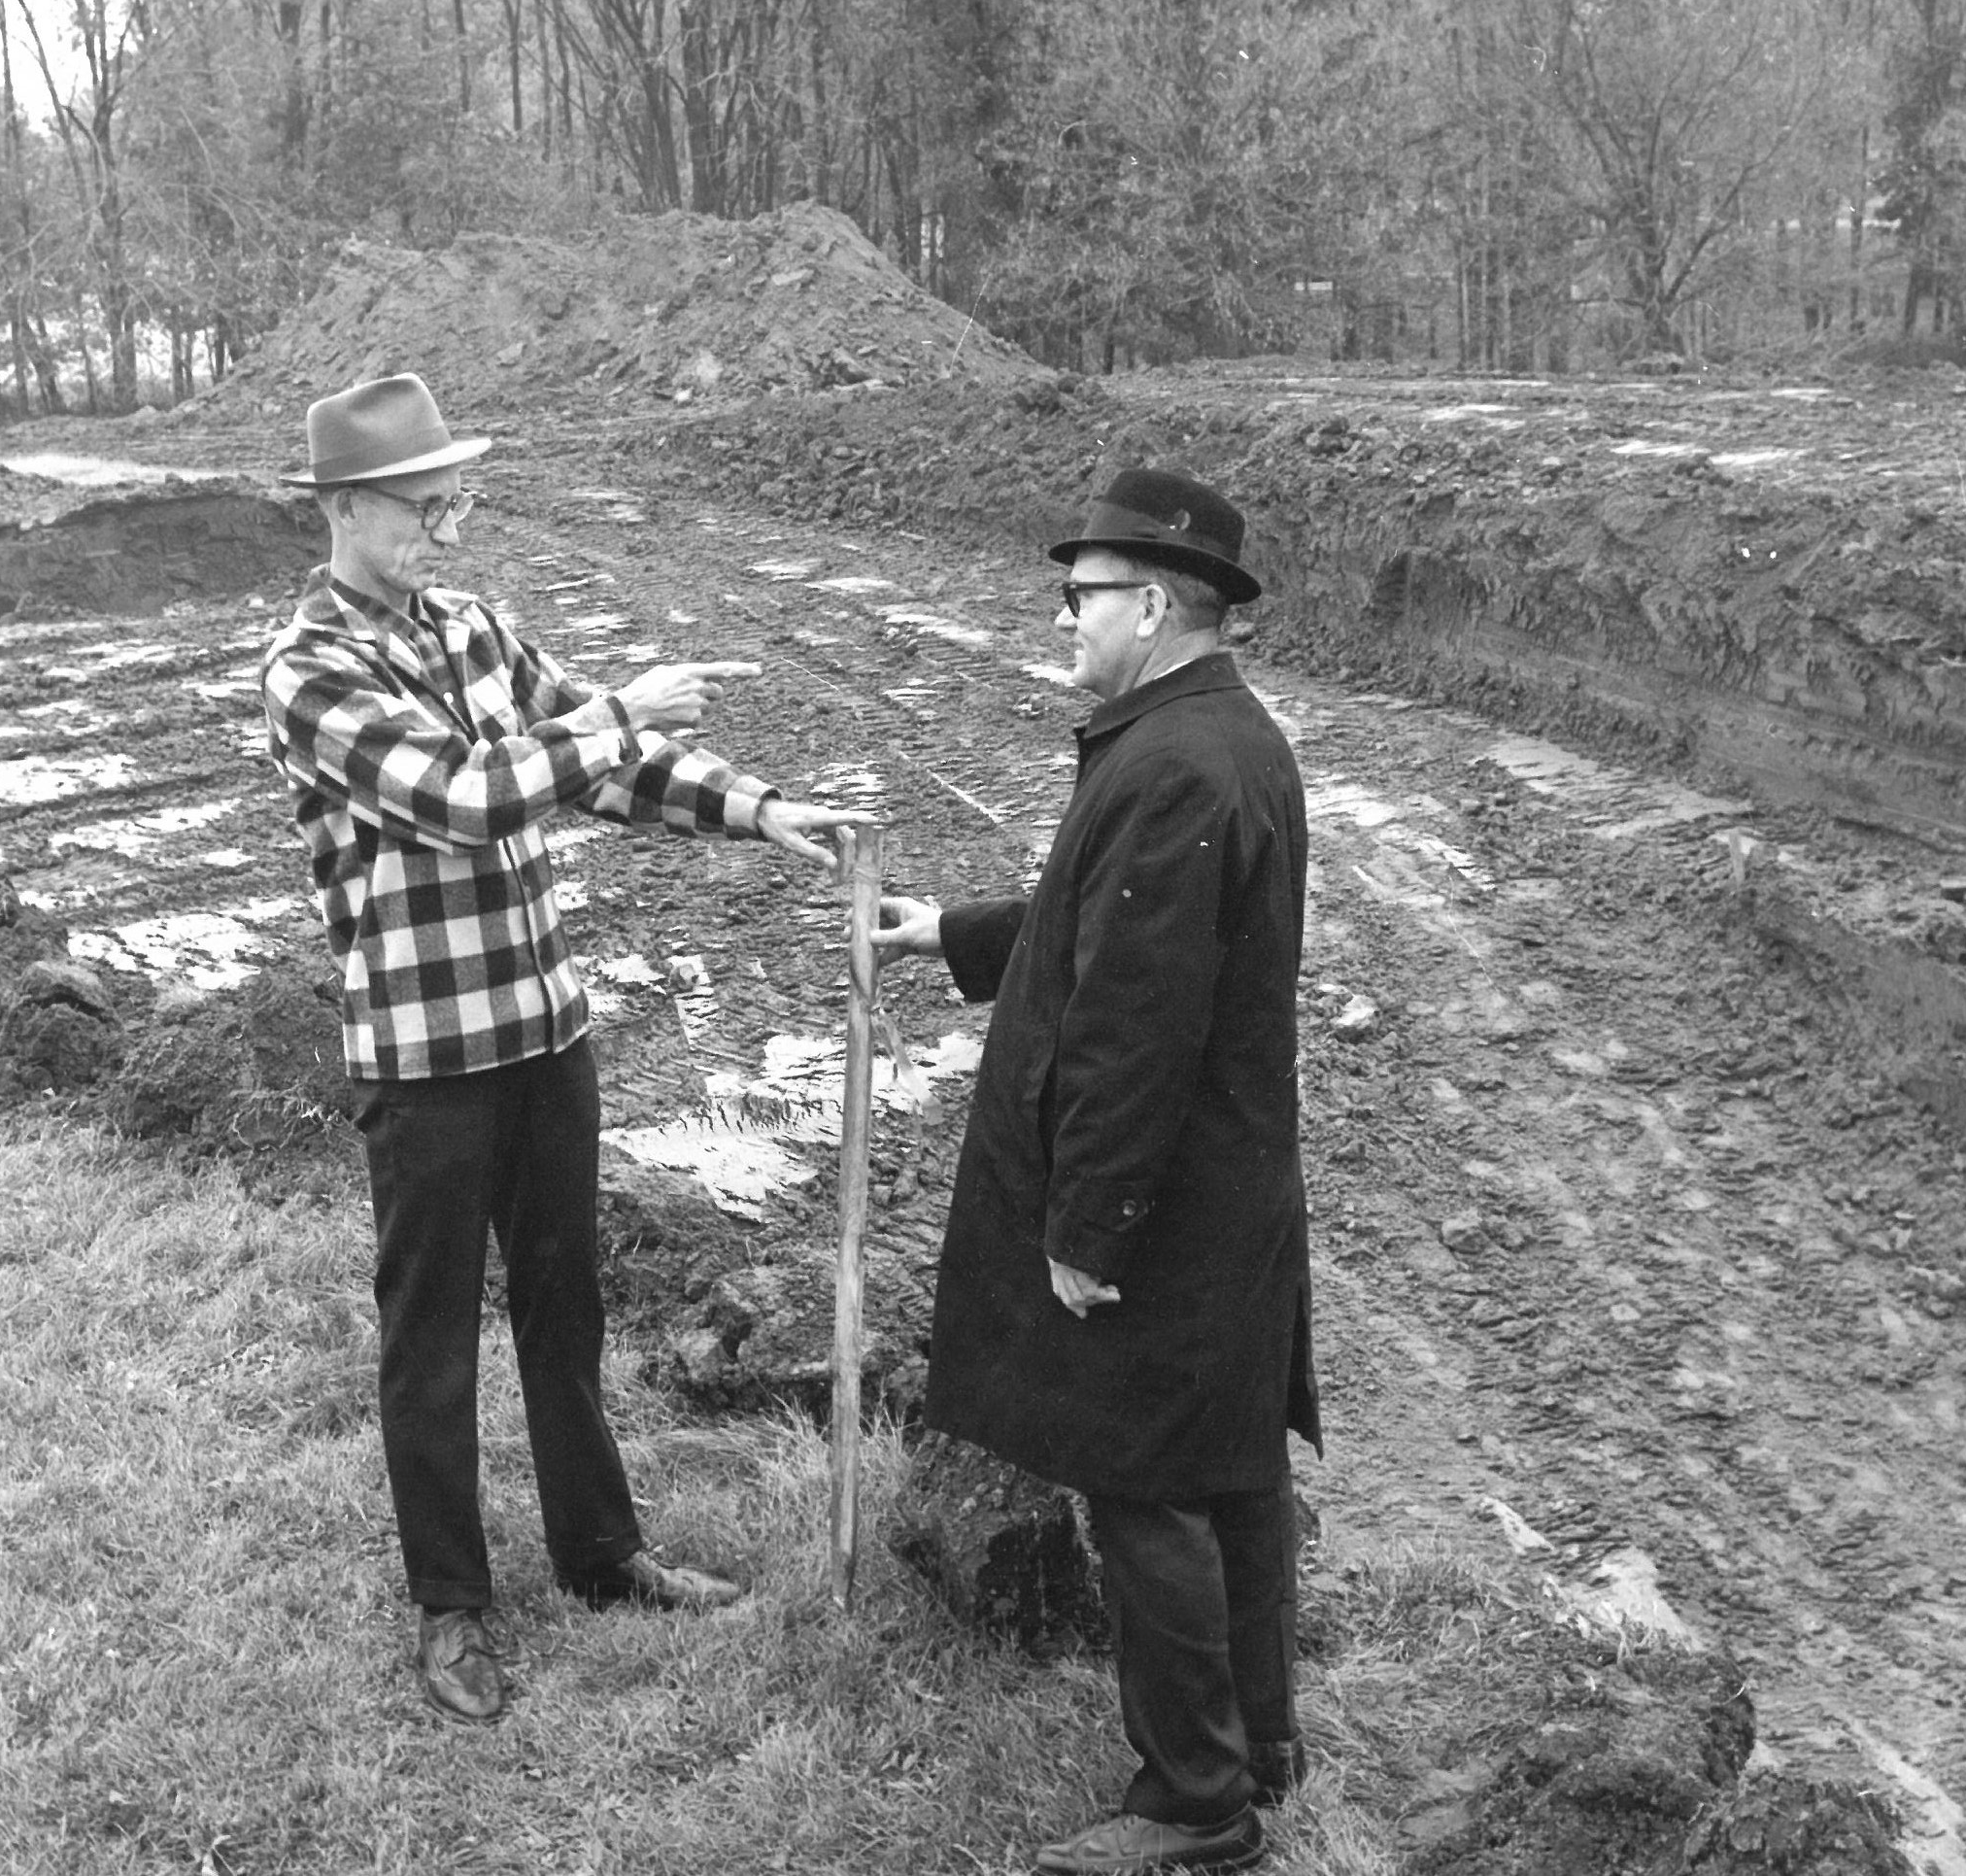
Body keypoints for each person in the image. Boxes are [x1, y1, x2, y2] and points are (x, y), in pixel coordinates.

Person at [260, 371, 869, 1726]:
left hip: (543, 1036)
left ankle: (602, 1554)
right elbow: (475, 797)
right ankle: (454, 1608)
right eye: (425, 507)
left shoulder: (474, 627)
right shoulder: (311, 673)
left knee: (565, 1305)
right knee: (430, 1339)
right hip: (425, 1060)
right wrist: (616, 712)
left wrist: (761, 809)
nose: (448, 527)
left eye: (454, 499)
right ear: (348, 509)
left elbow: (607, 767)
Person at [872, 468, 1322, 1874]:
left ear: (1154, 604)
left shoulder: (1177, 761)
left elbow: (1134, 1020)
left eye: (1080, 595)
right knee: (1230, 1462)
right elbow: (1105, 924)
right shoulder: (1208, 737)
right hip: (1229, 1186)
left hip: (1168, 1202)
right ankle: (1260, 1734)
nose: (1064, 614)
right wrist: (946, 930)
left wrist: (1089, 1225)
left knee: (1148, 1482)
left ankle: (1198, 1801)